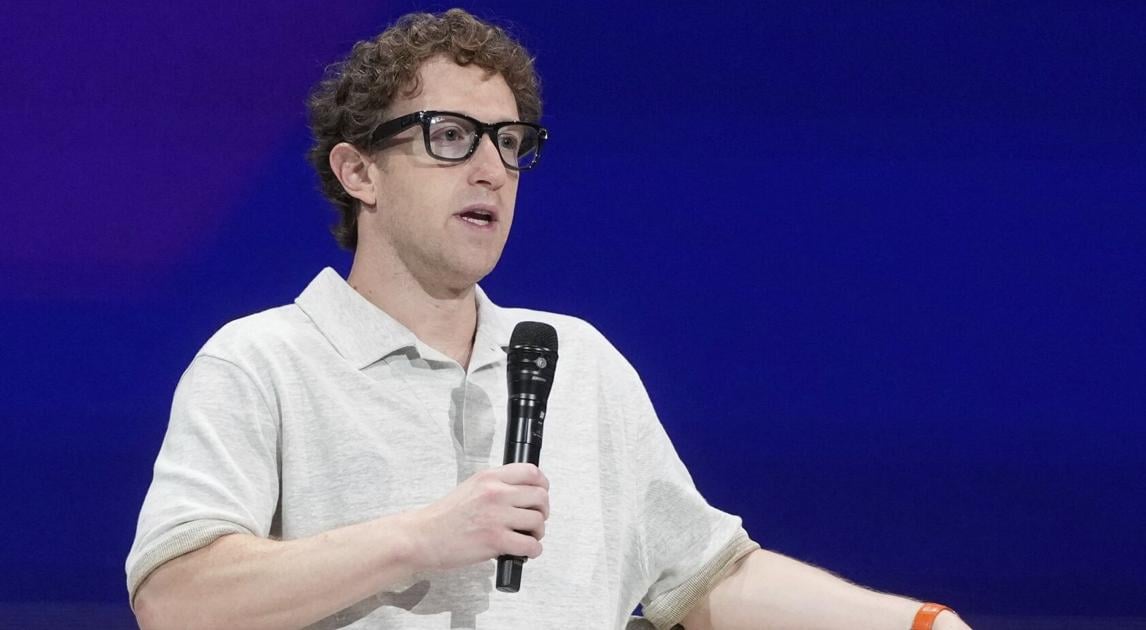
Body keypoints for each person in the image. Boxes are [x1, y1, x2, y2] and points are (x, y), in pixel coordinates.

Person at [126, 9, 972, 630]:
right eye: (451, 136)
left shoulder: (576, 360)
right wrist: (420, 539)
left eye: (509, 142)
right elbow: (175, 601)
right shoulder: (263, 361)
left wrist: (918, 622)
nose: (491, 169)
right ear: (359, 172)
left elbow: (709, 579)